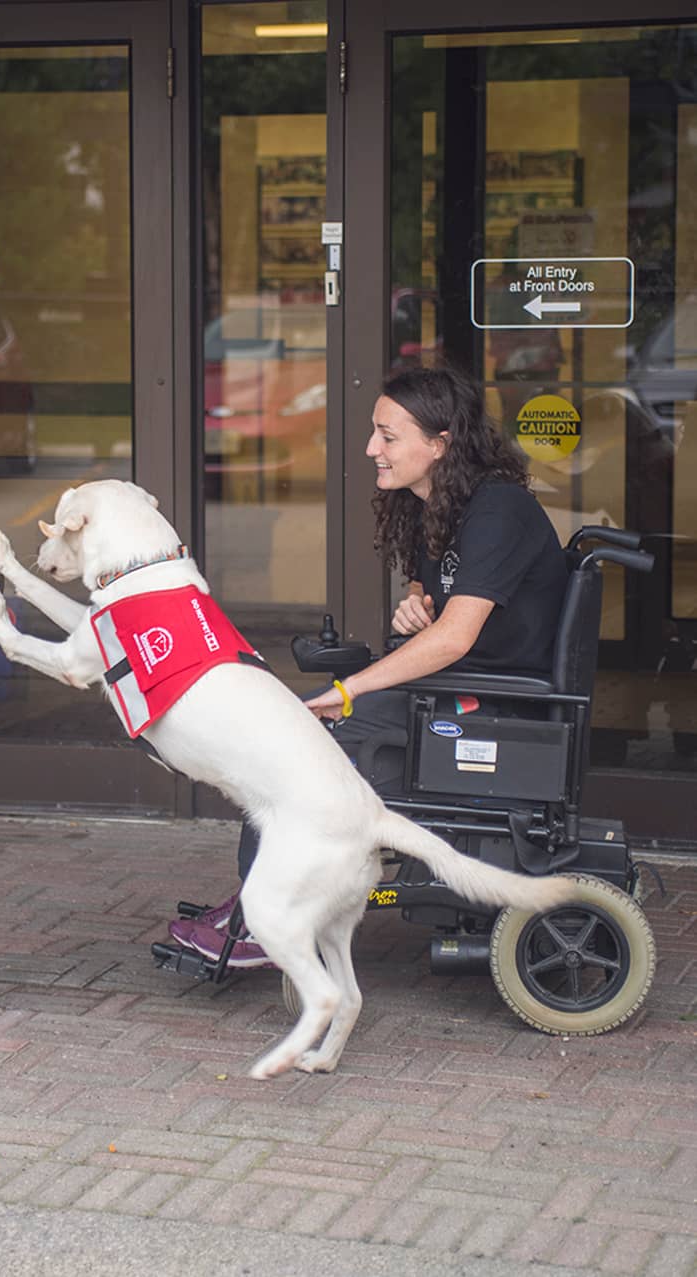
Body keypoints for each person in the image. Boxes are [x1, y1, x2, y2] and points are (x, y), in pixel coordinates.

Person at [167, 363, 569, 967]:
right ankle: (262, 904)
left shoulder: (498, 510)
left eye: (388, 435)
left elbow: (456, 638)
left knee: (298, 749)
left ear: (440, 444)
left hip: (493, 700)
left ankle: (265, 921)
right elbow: (436, 582)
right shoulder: (440, 501)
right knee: (297, 741)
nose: (370, 448)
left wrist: (350, 689)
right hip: (459, 685)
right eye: (374, 433)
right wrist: (415, 597)